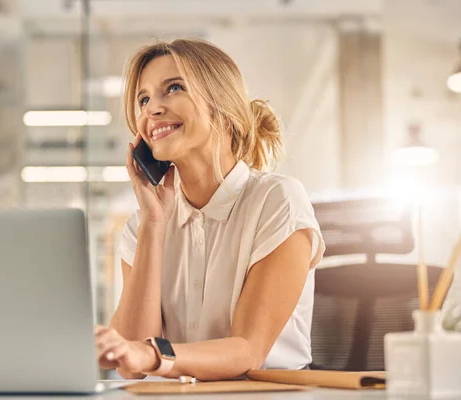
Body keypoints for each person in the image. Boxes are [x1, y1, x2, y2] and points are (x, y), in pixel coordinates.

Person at [94, 38, 325, 381]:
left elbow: (248, 349)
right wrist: (154, 224)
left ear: (222, 103)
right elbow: (130, 363)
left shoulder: (278, 201)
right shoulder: (141, 225)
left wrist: (153, 355)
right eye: (143, 99)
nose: (151, 109)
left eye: (173, 88)